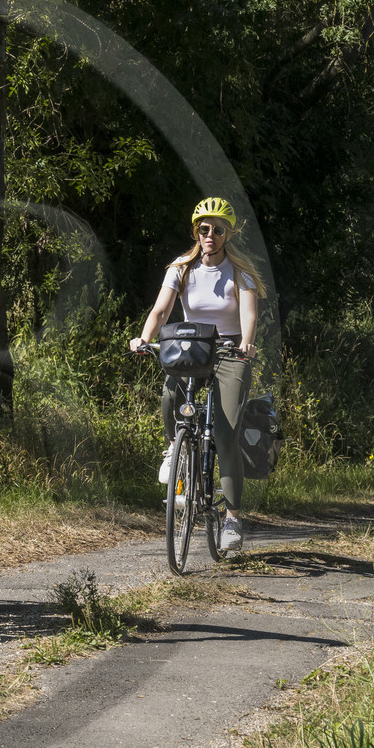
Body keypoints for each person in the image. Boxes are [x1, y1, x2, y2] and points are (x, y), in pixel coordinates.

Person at [130, 197, 261, 552]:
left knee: (226, 431)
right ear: (196, 231)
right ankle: (175, 447)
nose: (210, 235)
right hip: (193, 346)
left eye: (218, 230)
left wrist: (246, 344)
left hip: (230, 350)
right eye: (204, 229)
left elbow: (249, 315)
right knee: (170, 395)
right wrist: (144, 339)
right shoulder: (180, 269)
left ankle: (232, 519)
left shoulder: (240, 271)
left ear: (227, 234)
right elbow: (161, 311)